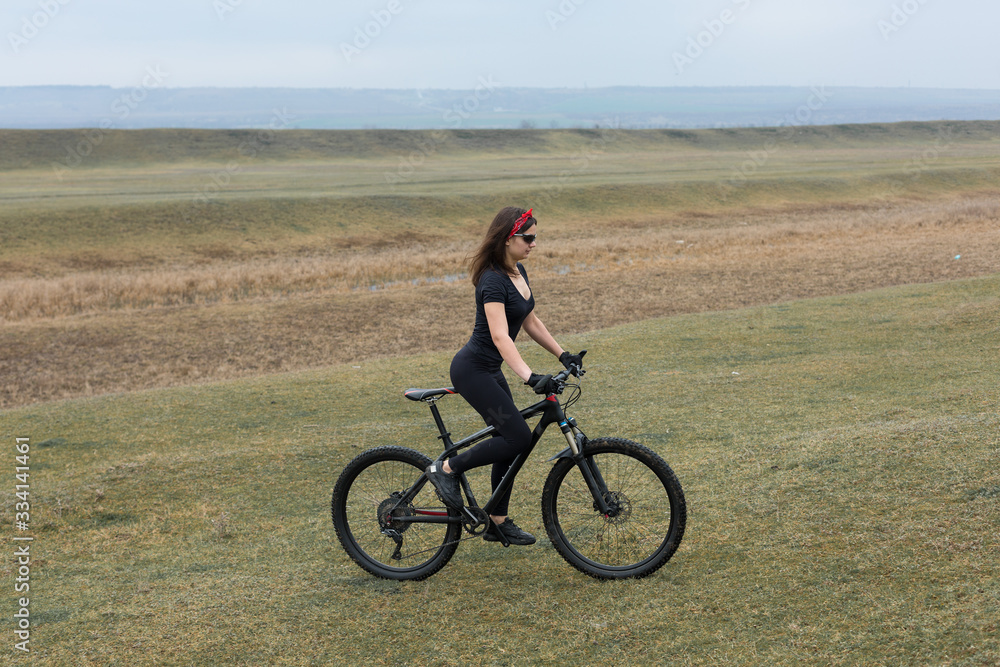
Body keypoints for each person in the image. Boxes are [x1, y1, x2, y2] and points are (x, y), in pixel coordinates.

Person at [425, 206, 584, 546]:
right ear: (509, 239)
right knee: (517, 438)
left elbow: (530, 321)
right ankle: (447, 469)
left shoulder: (517, 272)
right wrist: (530, 377)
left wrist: (562, 353)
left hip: (490, 370)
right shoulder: (492, 280)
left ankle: (496, 521)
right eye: (528, 238)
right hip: (472, 371)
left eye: (535, 238)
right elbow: (500, 336)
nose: (534, 244)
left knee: (511, 442)